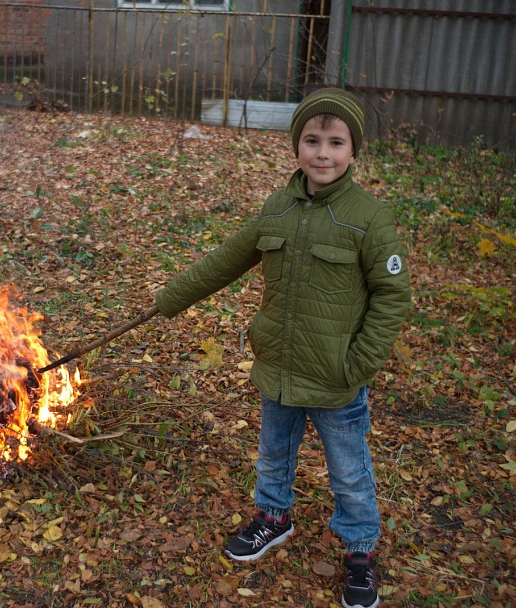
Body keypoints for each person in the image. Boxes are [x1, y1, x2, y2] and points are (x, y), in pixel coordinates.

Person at [154, 87, 411, 608]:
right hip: (278, 367)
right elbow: (225, 260)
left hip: (336, 377)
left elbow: (392, 296)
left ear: (353, 152)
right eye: (312, 140)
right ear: (296, 147)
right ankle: (273, 517)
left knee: (349, 469)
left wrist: (358, 363)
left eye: (335, 142)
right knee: (273, 455)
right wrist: (167, 299)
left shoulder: (368, 218)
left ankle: (360, 549)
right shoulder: (278, 208)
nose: (322, 153)